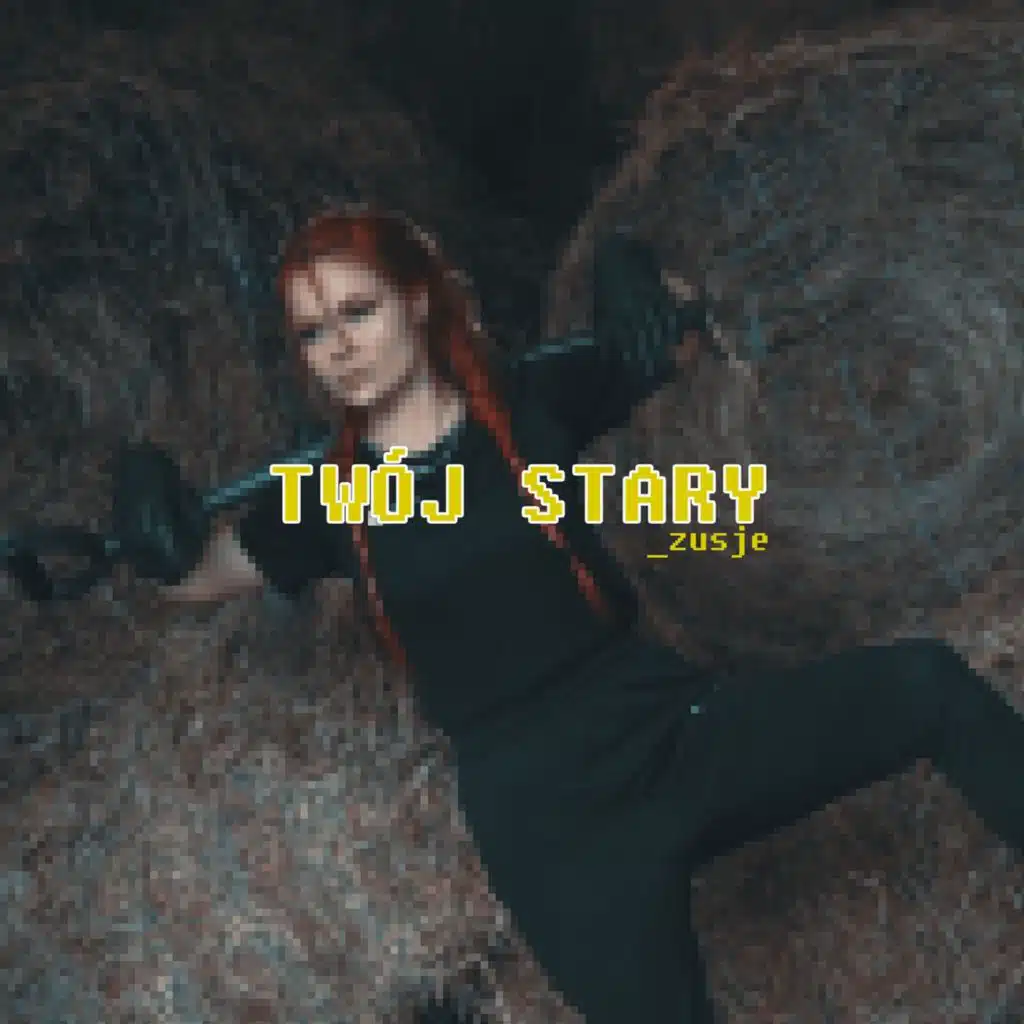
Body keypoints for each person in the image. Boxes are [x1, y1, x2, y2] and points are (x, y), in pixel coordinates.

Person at [112, 206, 1024, 1023]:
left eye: (359, 312)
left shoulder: (529, 400)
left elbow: (674, 339)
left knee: (927, 685)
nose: (339, 347)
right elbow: (201, 577)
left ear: (417, 302)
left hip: (666, 730)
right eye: (314, 332)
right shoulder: (326, 495)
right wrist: (148, 504)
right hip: (548, 824)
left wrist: (638, 275)